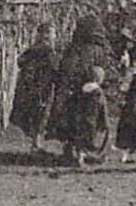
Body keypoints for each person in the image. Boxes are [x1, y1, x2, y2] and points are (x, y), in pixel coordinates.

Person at [52, 16, 116, 165]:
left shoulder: (74, 50)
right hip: (92, 94)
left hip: (74, 93)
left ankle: (72, 151)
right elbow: (108, 72)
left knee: (73, 122)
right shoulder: (100, 51)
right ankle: (86, 152)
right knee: (90, 124)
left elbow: (66, 71)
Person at [12, 24, 57, 148]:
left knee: (35, 112)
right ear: (45, 34)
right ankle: (36, 144)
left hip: (30, 86)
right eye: (52, 33)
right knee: (41, 113)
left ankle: (35, 143)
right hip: (42, 86)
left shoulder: (33, 49)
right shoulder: (47, 50)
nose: (54, 36)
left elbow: (20, 61)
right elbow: (52, 69)